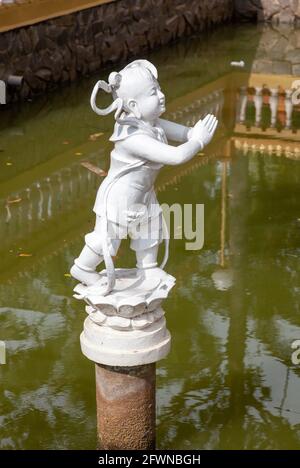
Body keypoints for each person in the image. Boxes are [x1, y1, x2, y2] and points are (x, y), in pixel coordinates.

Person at [70, 59, 218, 295]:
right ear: (133, 105)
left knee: (151, 228)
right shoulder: (132, 137)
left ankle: (147, 267)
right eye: (153, 93)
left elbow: (183, 133)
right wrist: (199, 141)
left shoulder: (151, 123)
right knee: (108, 239)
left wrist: (192, 132)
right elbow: (177, 156)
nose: (161, 95)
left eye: (158, 88)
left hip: (144, 192)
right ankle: (82, 268)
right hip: (120, 197)